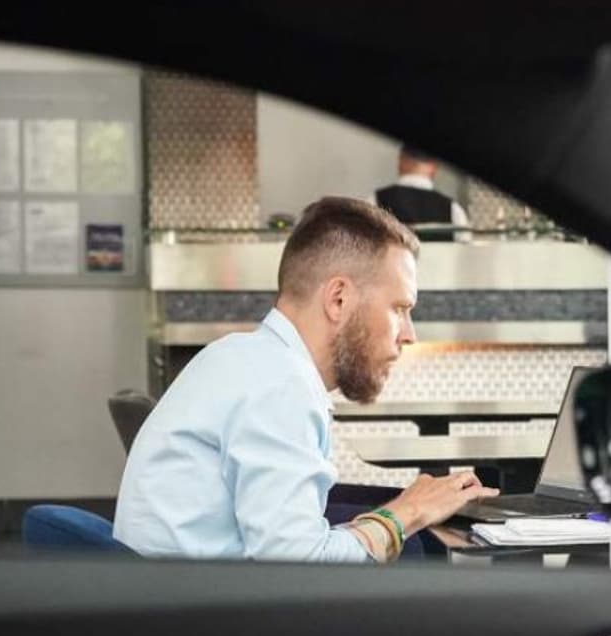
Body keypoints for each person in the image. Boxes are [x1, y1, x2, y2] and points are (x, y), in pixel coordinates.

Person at [115, 197, 498, 563]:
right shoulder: (280, 385)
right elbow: (301, 568)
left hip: (184, 592)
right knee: (420, 546)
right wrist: (410, 512)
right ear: (338, 299)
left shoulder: (247, 359)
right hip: (209, 606)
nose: (409, 335)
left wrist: (406, 509)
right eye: (399, 309)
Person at [374, 145, 472, 243]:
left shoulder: (375, 201)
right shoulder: (453, 209)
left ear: (401, 161)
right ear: (434, 166)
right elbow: (465, 248)